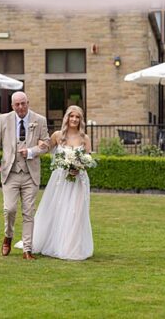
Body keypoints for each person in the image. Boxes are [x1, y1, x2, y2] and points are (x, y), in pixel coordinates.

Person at [0, 91, 50, 260]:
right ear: (12, 106)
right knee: (9, 209)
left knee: (29, 211)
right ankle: (8, 236)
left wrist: (31, 151)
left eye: (23, 103)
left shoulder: (40, 120)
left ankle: (27, 249)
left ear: (28, 102)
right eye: (17, 104)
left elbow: (46, 144)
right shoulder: (3, 119)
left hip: (31, 174)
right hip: (10, 173)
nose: (21, 107)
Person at [30, 105, 94, 260]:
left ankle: (71, 247)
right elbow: (46, 148)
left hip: (79, 181)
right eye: (71, 116)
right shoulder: (58, 135)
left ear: (81, 119)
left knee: (76, 213)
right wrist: (38, 144)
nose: (74, 119)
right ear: (67, 118)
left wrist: (80, 166)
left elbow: (89, 158)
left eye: (77, 117)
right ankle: (56, 243)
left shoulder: (85, 138)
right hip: (60, 180)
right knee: (58, 210)